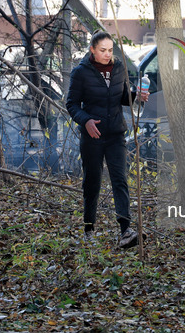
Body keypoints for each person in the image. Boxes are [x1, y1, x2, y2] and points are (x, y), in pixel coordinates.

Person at [66, 30, 148, 249]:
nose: (107, 54)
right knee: (92, 182)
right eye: (102, 50)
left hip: (115, 134)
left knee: (119, 179)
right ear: (92, 50)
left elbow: (123, 98)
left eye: (110, 50)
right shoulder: (81, 73)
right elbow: (71, 105)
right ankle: (89, 228)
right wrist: (86, 121)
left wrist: (136, 96)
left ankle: (125, 231)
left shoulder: (119, 68)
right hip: (92, 136)